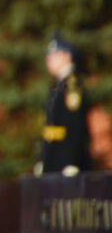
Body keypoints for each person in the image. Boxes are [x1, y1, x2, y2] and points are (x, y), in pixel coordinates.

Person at [39, 33, 93, 177]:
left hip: (66, 163)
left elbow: (75, 125)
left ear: (66, 56)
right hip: (54, 161)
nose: (48, 60)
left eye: (54, 55)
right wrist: (44, 159)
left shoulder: (71, 85)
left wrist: (71, 161)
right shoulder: (58, 86)